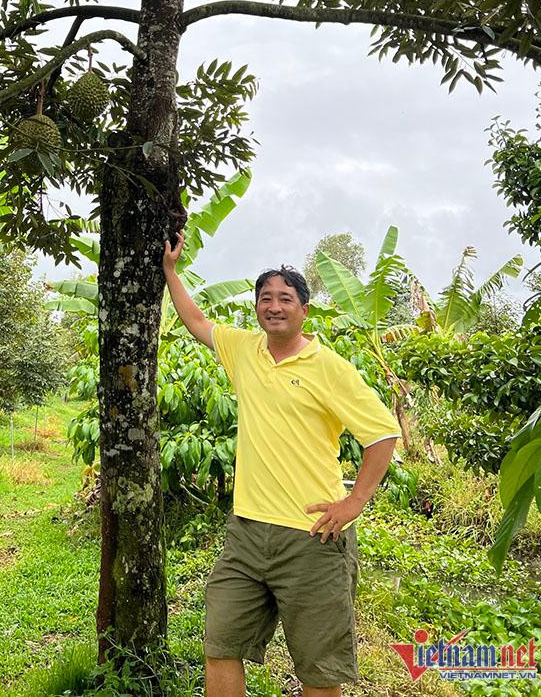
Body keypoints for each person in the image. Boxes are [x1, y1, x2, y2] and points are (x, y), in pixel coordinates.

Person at [162, 231, 401, 697]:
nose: (273, 305)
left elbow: (383, 433)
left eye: (285, 298)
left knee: (319, 667)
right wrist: (171, 271)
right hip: (247, 534)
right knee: (221, 643)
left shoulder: (328, 367)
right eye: (265, 298)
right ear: (256, 307)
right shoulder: (243, 350)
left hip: (311, 539)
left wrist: (355, 502)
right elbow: (195, 320)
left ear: (304, 309)